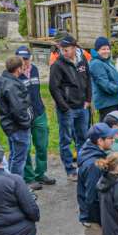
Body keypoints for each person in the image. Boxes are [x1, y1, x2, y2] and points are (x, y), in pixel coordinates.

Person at [48, 33, 91, 182]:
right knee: (66, 139)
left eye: (66, 49)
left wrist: (88, 99)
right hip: (67, 109)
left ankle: (83, 166)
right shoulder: (57, 65)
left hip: (82, 106)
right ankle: (70, 170)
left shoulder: (82, 60)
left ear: (74, 48)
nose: (64, 52)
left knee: (83, 138)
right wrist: (64, 107)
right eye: (62, 49)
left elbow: (88, 79)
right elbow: (53, 88)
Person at [17, 47, 55, 187]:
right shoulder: (13, 74)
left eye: (26, 59)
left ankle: (40, 173)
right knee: (26, 147)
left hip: (39, 112)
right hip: (24, 116)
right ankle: (29, 177)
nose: (24, 62)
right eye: (21, 59)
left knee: (42, 145)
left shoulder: (34, 70)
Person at [0, 55, 35, 183]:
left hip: (9, 126)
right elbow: (18, 109)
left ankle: (10, 183)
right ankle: (16, 185)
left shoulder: (1, 80)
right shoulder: (12, 85)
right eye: (22, 66)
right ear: (18, 69)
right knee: (19, 159)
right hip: (18, 127)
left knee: (14, 156)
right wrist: (27, 122)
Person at [89, 37, 118, 119]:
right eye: (103, 49)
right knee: (109, 127)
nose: (106, 51)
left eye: (108, 49)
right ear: (97, 50)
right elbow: (106, 86)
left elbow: (117, 78)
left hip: (115, 102)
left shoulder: (108, 62)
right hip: (107, 105)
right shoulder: (96, 64)